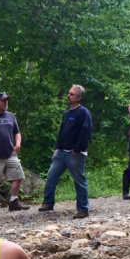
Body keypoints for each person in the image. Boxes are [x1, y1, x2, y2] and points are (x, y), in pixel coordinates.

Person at [38, 84, 93, 218]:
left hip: (74, 153)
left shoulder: (83, 112)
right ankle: (48, 202)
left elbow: (85, 132)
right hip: (61, 152)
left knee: (79, 180)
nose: (68, 96)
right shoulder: (67, 113)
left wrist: (77, 149)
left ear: (79, 98)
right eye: (68, 93)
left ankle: (83, 209)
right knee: (51, 175)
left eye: (72, 94)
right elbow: (62, 132)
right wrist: (57, 148)